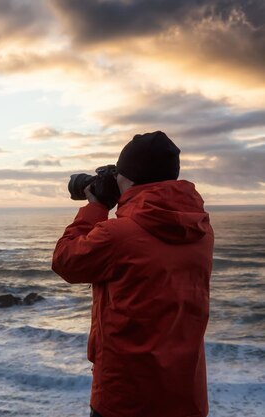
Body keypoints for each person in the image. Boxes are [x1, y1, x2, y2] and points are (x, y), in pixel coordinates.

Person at [52, 131, 213, 417]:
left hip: (125, 397)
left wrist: (97, 207)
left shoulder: (118, 236)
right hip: (186, 395)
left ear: (128, 178)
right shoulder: (200, 228)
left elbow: (66, 261)